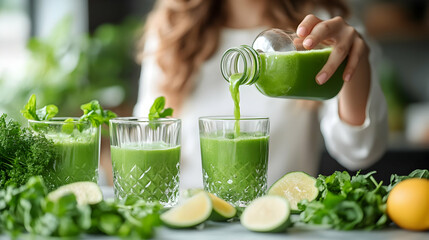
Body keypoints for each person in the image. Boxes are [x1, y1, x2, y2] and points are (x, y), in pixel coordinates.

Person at [134, 0, 388, 189]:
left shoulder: (322, 26)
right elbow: (148, 139)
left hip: (279, 222)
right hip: (188, 221)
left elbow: (360, 151)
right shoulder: (172, 30)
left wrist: (355, 68)